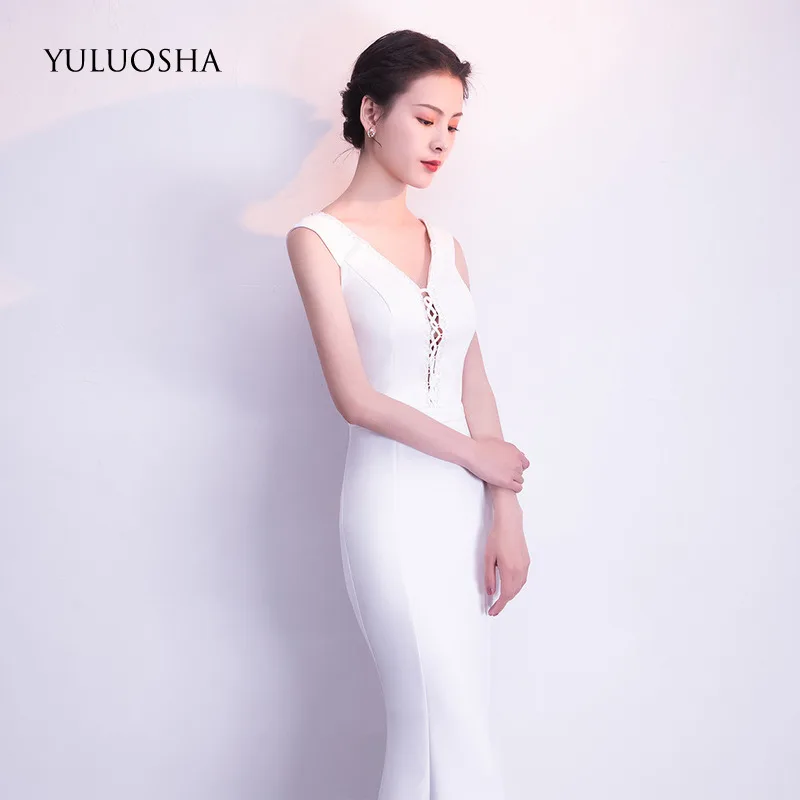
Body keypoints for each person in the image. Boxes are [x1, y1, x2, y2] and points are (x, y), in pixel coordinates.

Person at [285, 29, 530, 800]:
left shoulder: (446, 246)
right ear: (372, 113)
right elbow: (355, 398)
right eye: (425, 119)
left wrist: (506, 511)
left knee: (459, 720)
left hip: (465, 511)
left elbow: (474, 384)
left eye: (453, 124)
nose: (442, 140)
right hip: (391, 506)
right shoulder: (318, 241)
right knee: (434, 717)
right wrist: (476, 455)